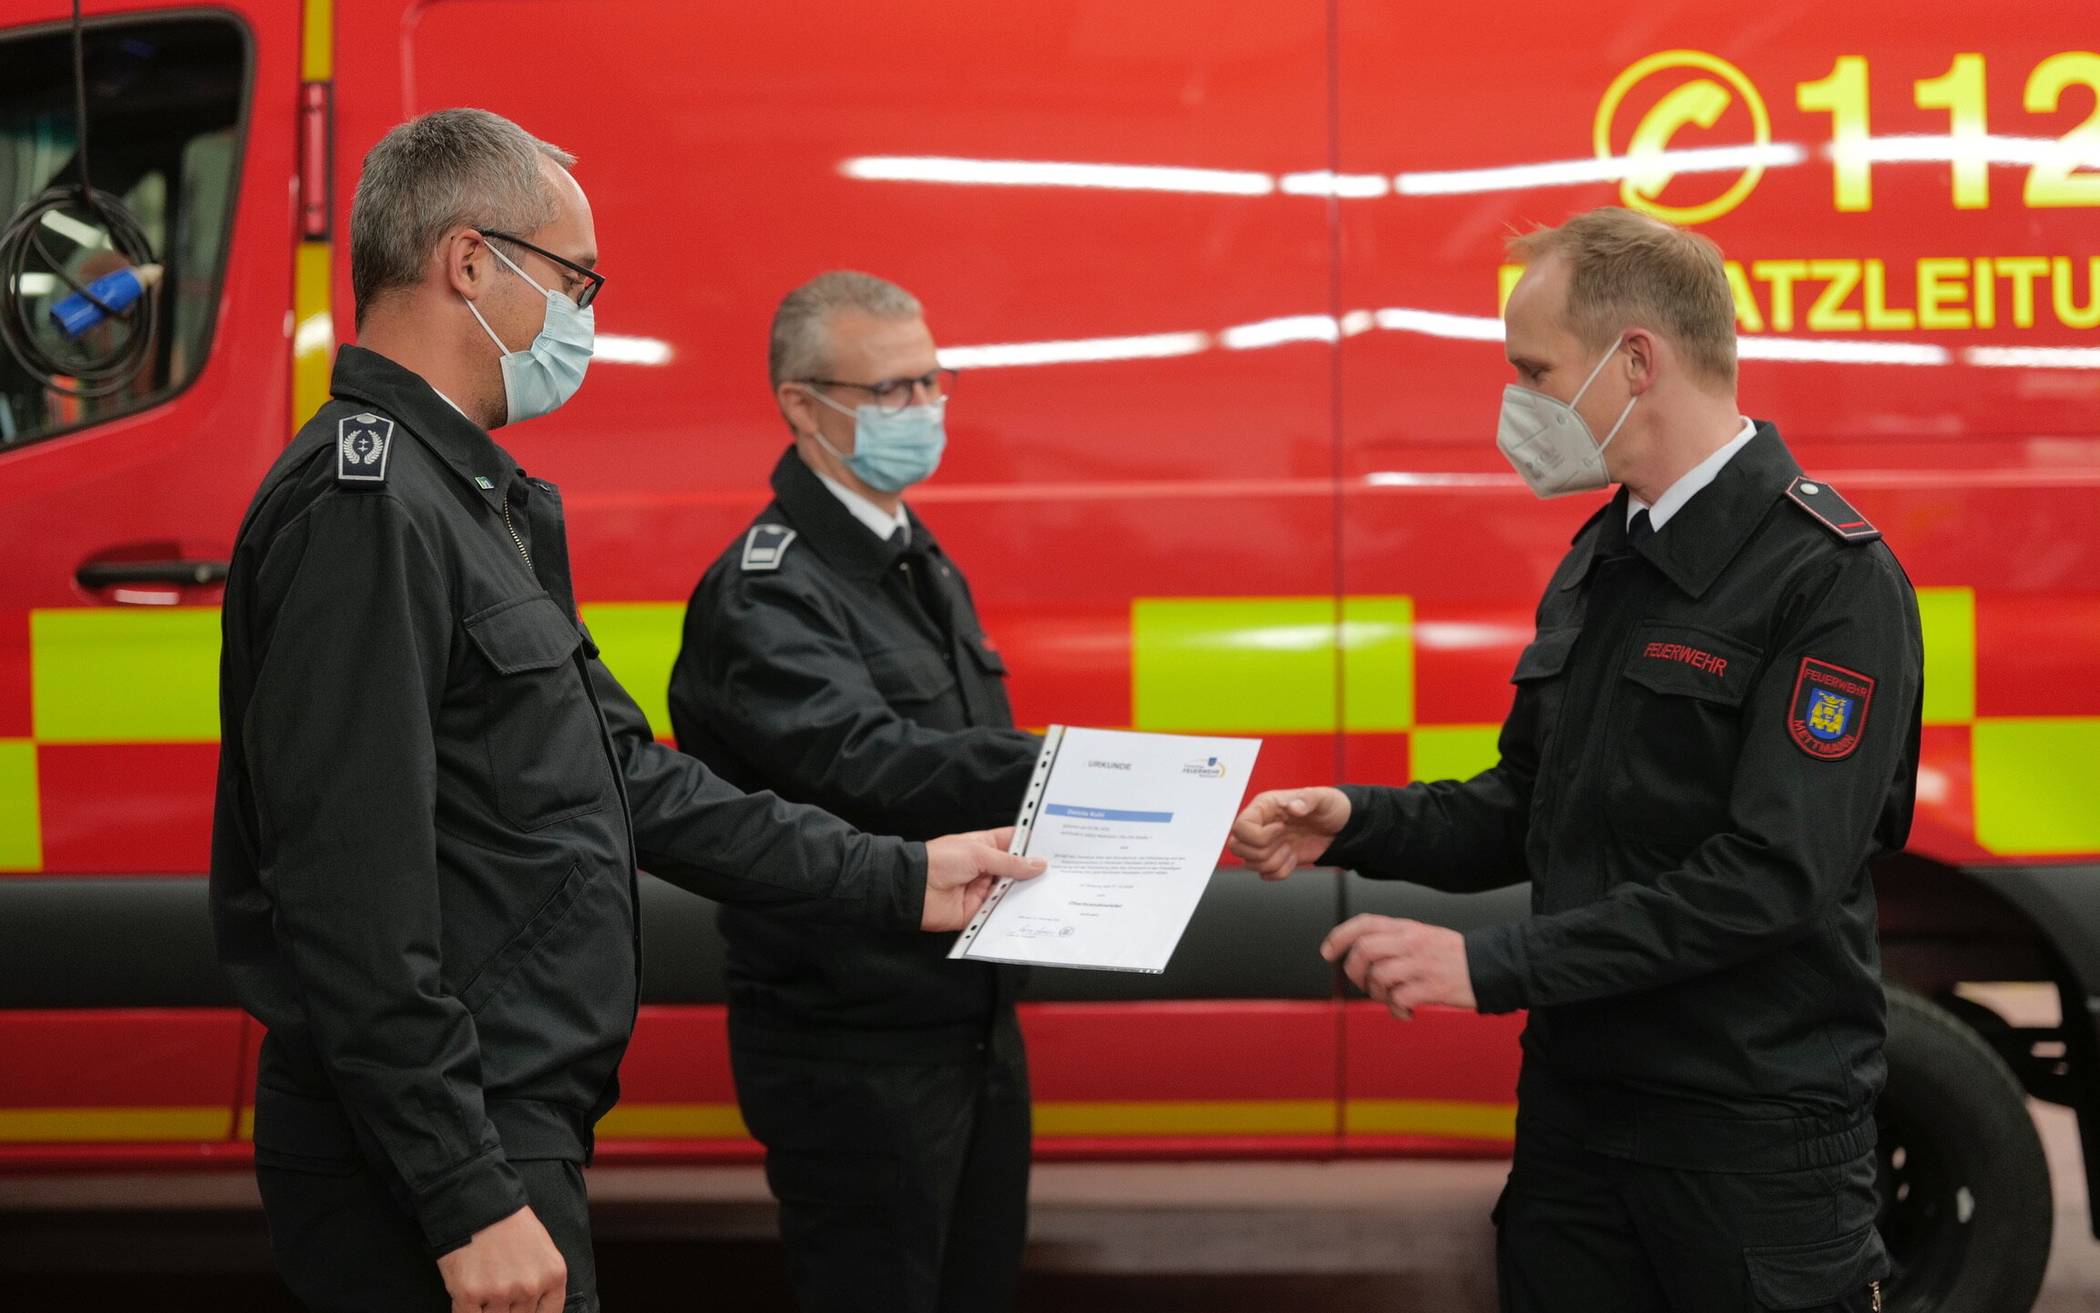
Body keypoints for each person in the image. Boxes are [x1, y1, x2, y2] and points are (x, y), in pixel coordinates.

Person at [209, 110, 1041, 1313]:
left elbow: (629, 777)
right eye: (576, 277)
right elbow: (352, 893)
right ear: (469, 261)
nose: (587, 315)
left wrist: (901, 876)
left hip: (503, 1118)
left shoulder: (471, 504)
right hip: (437, 1146)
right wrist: (464, 1188)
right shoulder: (368, 507)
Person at [1230, 206, 1921, 1313]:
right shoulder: (1610, 551)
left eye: (1535, 369)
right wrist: (1352, 822)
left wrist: (1489, 966)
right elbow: (1529, 803)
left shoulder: (1828, 579)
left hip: (1742, 1136)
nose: (1517, 405)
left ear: (1634, 361)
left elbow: (1772, 875)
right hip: (1580, 1115)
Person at [667, 271, 1044, 1313]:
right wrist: (1070, 767)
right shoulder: (766, 590)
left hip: (965, 1023)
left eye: (932, 381)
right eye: (888, 392)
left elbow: (958, 747)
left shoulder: (911, 552)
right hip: (852, 1044)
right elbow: (870, 763)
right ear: (801, 403)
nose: (921, 410)